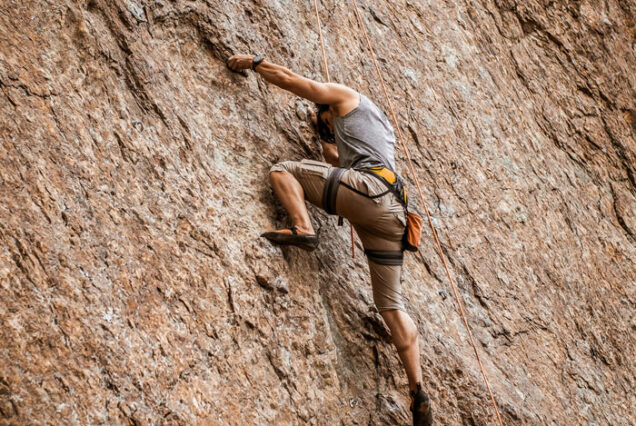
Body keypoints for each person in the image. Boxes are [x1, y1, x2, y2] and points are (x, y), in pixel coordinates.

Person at [227, 54, 433, 426]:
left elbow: (291, 81)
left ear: (327, 107)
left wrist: (255, 63)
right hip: (392, 216)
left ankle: (302, 227)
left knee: (283, 170)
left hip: (370, 193)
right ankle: (417, 388)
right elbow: (332, 161)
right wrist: (325, 134)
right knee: (390, 304)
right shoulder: (373, 127)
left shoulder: (343, 96)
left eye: (321, 117)